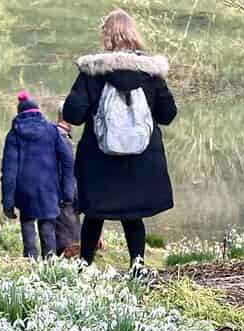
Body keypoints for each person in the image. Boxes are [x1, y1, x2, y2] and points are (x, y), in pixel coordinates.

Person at [61, 9, 177, 269]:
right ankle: (137, 267)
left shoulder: (92, 72)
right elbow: (168, 114)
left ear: (106, 36)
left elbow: (73, 114)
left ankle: (85, 266)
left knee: (94, 216)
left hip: (98, 160)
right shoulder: (151, 73)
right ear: (133, 34)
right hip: (141, 160)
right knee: (133, 217)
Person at [0, 91, 75, 258]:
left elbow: (9, 172)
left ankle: (30, 261)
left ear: (19, 113)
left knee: (27, 223)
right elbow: (68, 161)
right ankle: (49, 265)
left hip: (25, 191)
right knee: (47, 226)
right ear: (38, 111)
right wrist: (68, 191)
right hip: (48, 189)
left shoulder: (13, 135)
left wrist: (8, 203)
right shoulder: (52, 131)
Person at [54, 114, 83, 257]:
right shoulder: (63, 137)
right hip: (65, 189)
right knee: (69, 226)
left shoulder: (54, 134)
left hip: (55, 189)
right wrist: (71, 193)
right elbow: (67, 169)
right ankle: (68, 254)